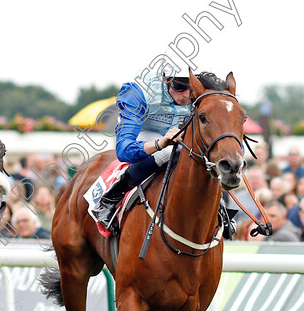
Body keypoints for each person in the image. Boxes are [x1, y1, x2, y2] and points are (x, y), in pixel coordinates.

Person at [92, 70, 226, 235]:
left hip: (178, 134)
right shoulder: (138, 93)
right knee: (167, 152)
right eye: (179, 87)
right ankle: (110, 199)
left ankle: (218, 205)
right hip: (144, 133)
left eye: (191, 88)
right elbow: (124, 150)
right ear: (165, 79)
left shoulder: (202, 92)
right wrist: (159, 143)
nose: (186, 95)